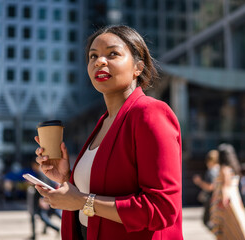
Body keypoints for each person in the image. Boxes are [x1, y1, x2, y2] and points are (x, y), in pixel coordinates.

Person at [34, 25, 183, 240]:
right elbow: (99, 189)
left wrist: (84, 201)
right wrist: (66, 178)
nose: (99, 61)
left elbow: (163, 209)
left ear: (138, 67)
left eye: (112, 54)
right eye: (93, 56)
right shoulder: (104, 123)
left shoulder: (150, 113)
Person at [210, 143, 245, 240]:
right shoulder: (233, 168)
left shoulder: (224, 169)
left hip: (225, 201)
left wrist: (222, 202)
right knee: (237, 225)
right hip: (235, 201)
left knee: (225, 228)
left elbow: (225, 186)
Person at [193, 149, 220, 230]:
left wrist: (199, 182)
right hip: (217, 198)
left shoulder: (211, 171)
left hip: (211, 199)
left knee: (206, 221)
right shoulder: (219, 169)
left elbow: (211, 187)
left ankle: (219, 235)